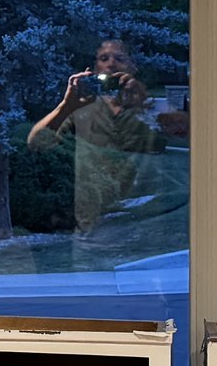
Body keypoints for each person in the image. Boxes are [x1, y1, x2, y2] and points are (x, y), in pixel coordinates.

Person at [26, 37, 168, 234]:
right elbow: (37, 144)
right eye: (104, 58)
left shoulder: (144, 102)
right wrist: (66, 107)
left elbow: (173, 139)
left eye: (119, 58)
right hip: (91, 227)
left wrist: (142, 103)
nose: (111, 63)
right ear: (94, 68)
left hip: (146, 229)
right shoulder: (82, 106)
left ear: (132, 67)